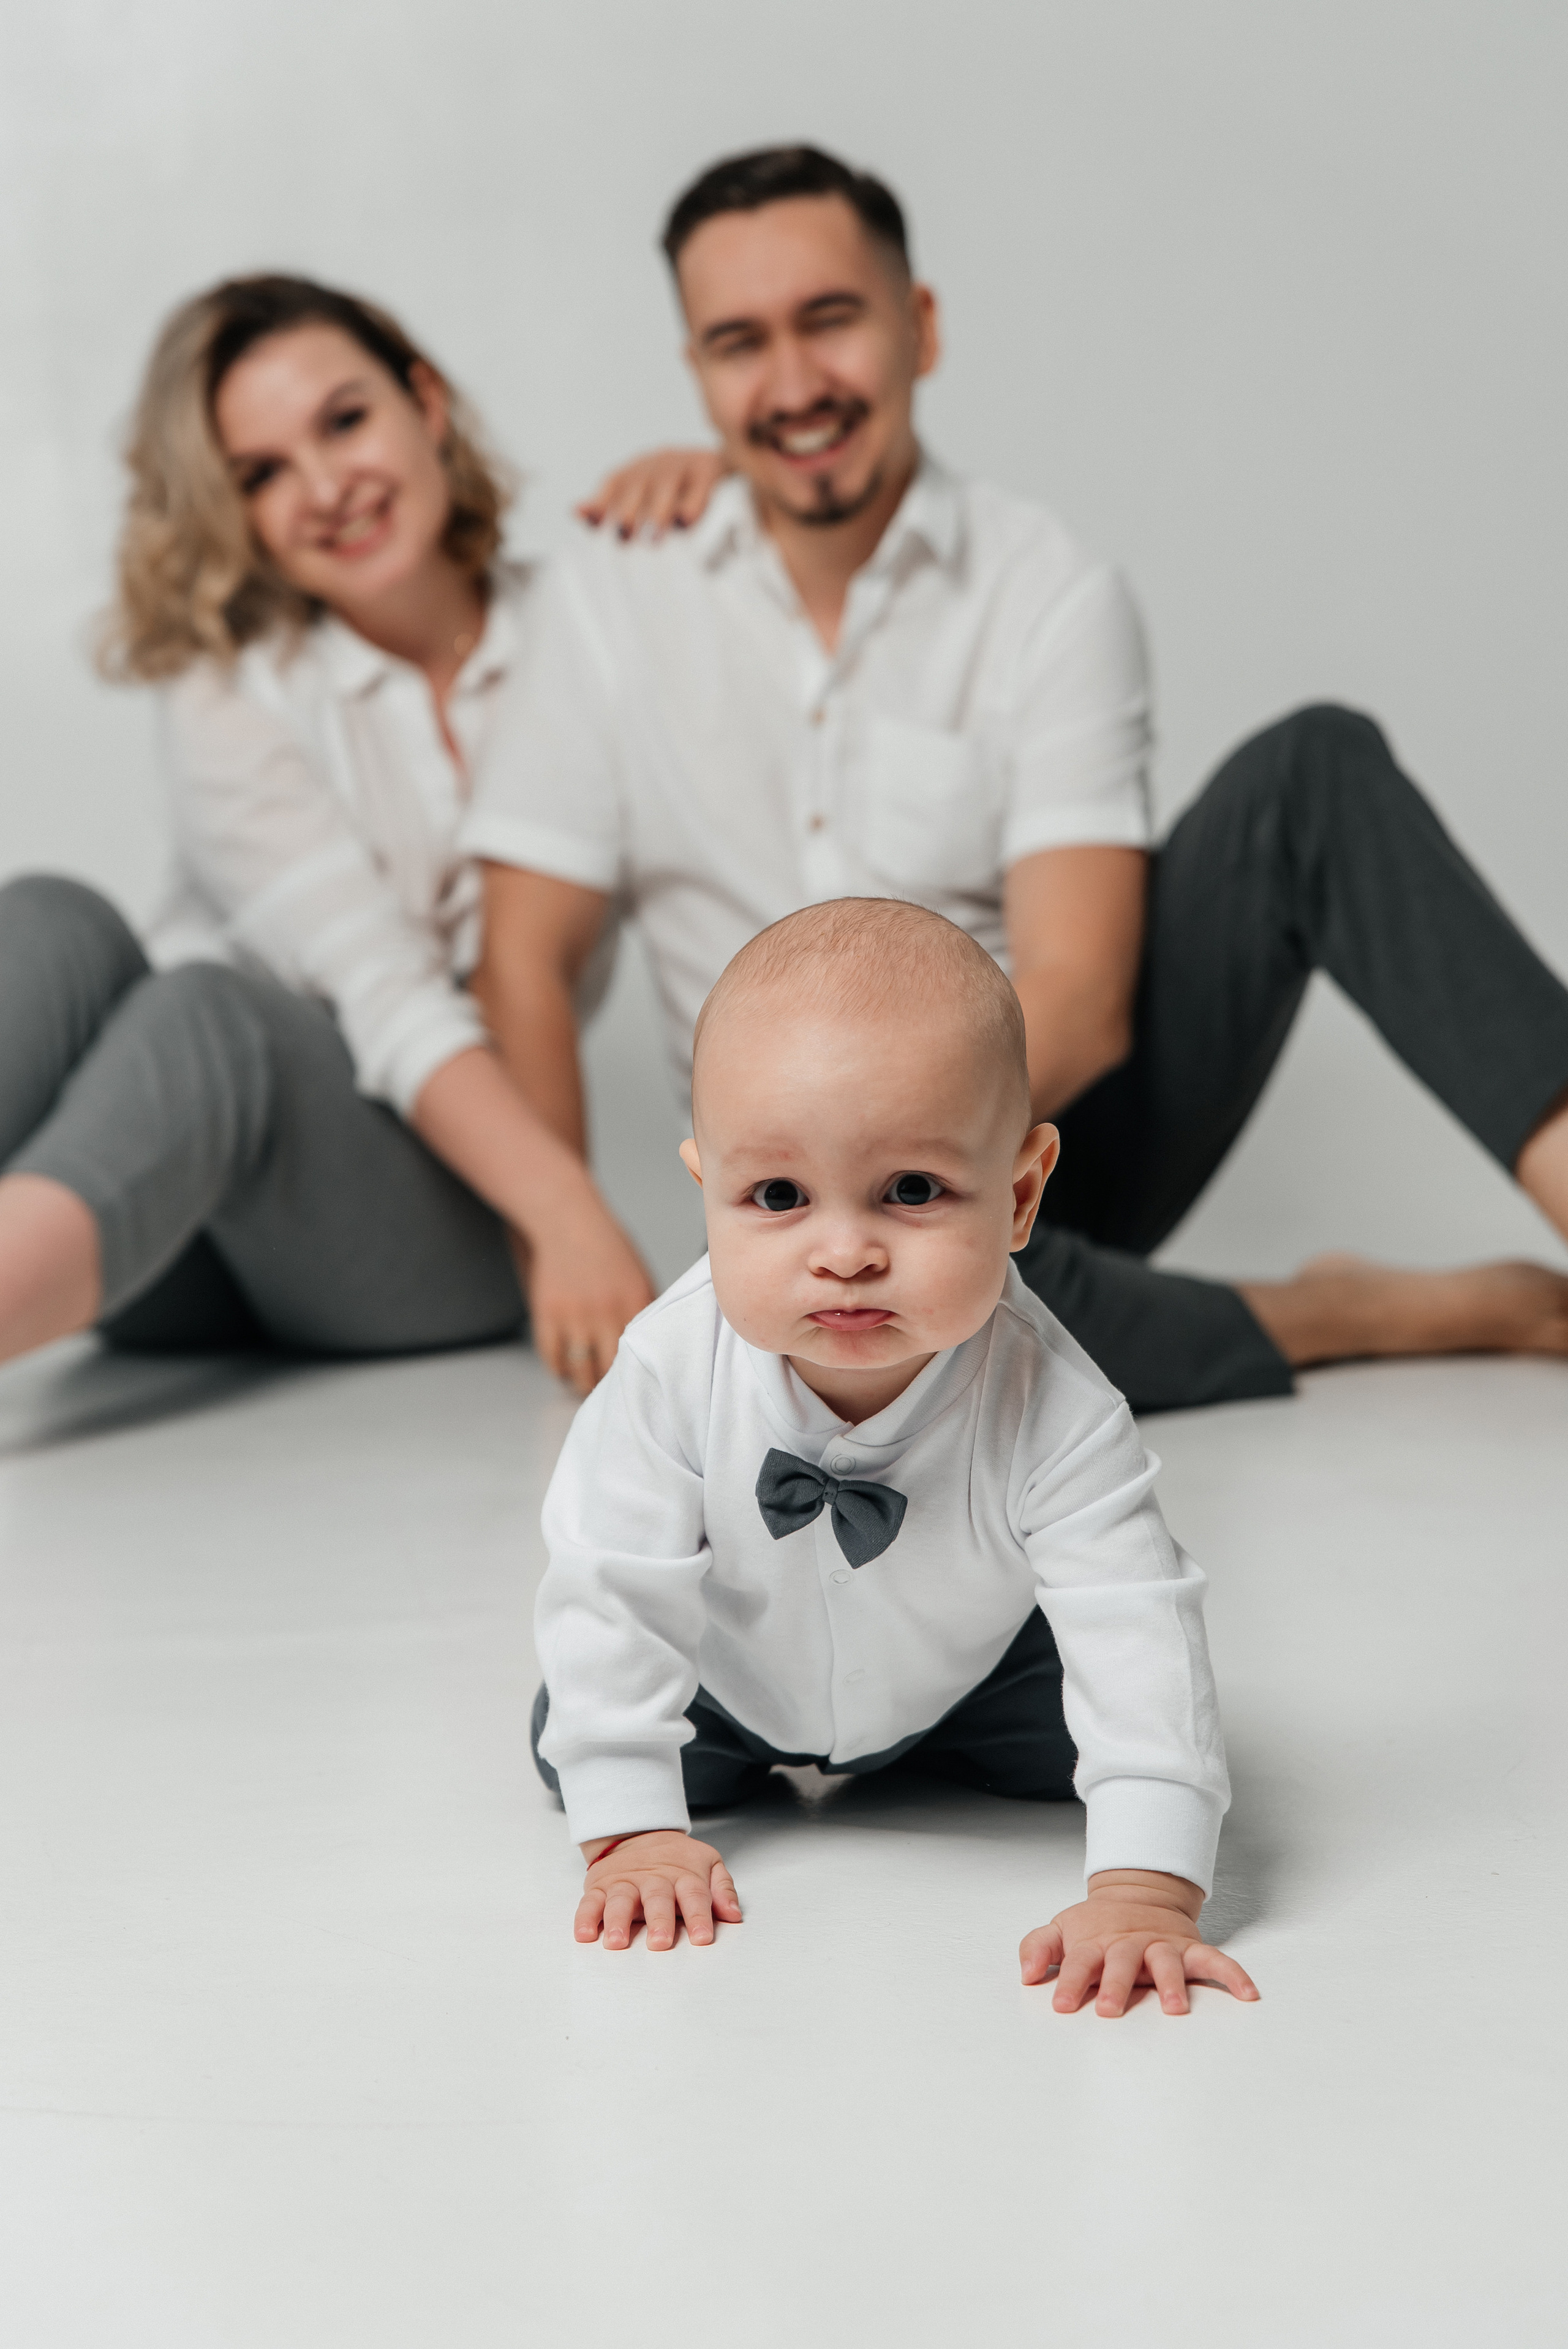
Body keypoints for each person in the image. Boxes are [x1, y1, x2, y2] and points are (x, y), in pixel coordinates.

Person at [464, 144, 1568, 1416]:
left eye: (830, 322)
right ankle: (1339, 1311)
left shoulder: (1045, 591)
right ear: (697, 375)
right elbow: (525, 961)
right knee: (885, 1336)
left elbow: (1085, 999)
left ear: (916, 327)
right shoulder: (606, 602)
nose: (792, 383)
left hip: (1041, 1136)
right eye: (737, 343)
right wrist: (569, 1236)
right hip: (804, 1215)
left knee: (1311, 771)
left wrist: (905, 1172)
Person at [530, 900, 1258, 2016]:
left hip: (971, 1675)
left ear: (1019, 1195)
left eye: (911, 1191)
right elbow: (612, 1578)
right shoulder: (667, 1370)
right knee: (583, 1726)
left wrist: (1145, 1885)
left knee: (1114, 1715)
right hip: (727, 1679)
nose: (846, 1251)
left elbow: (1135, 1617)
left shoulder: (1055, 1401)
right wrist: (630, 1829)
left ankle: (955, 1755)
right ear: (707, 1193)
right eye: (777, 1196)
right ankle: (648, 1775)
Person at [0, 273, 722, 1395]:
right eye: (263, 474)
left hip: (451, 1213)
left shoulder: (583, 622)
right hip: (179, 1224)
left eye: (346, 421)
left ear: (425, 404)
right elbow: (373, 977)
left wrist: (734, 497)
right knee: (52, 922)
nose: (327, 487)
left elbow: (773, 615)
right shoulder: (228, 690)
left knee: (212, 1013)